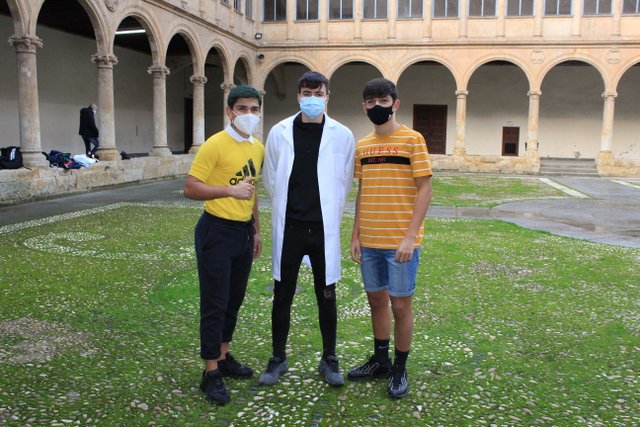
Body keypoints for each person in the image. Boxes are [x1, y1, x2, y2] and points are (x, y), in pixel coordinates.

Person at [260, 71, 355, 387]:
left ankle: (329, 358)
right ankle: (278, 358)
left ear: (328, 96)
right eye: (306, 92)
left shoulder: (342, 135)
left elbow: (344, 180)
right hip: (290, 227)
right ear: (298, 96)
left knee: (327, 294)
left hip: (323, 229)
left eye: (318, 93)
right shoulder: (280, 132)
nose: (312, 98)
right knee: (282, 293)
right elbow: (271, 178)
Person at [348, 78, 432, 399]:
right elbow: (362, 191)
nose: (377, 106)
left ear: (395, 104)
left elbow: (424, 189)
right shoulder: (363, 145)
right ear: (364, 106)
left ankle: (400, 367)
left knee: (400, 306)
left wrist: (410, 237)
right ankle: (380, 361)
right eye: (370, 102)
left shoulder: (412, 140)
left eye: (383, 100)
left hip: (400, 244)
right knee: (375, 301)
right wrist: (356, 235)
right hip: (370, 241)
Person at [183, 85, 265, 405]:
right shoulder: (214, 144)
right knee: (214, 302)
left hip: (242, 232)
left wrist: (256, 231)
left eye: (254, 109)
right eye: (242, 108)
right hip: (215, 231)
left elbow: (252, 192)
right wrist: (228, 191)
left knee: (233, 300)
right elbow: (191, 188)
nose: (248, 114)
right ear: (230, 111)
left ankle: (224, 355)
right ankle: (211, 371)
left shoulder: (257, 148)